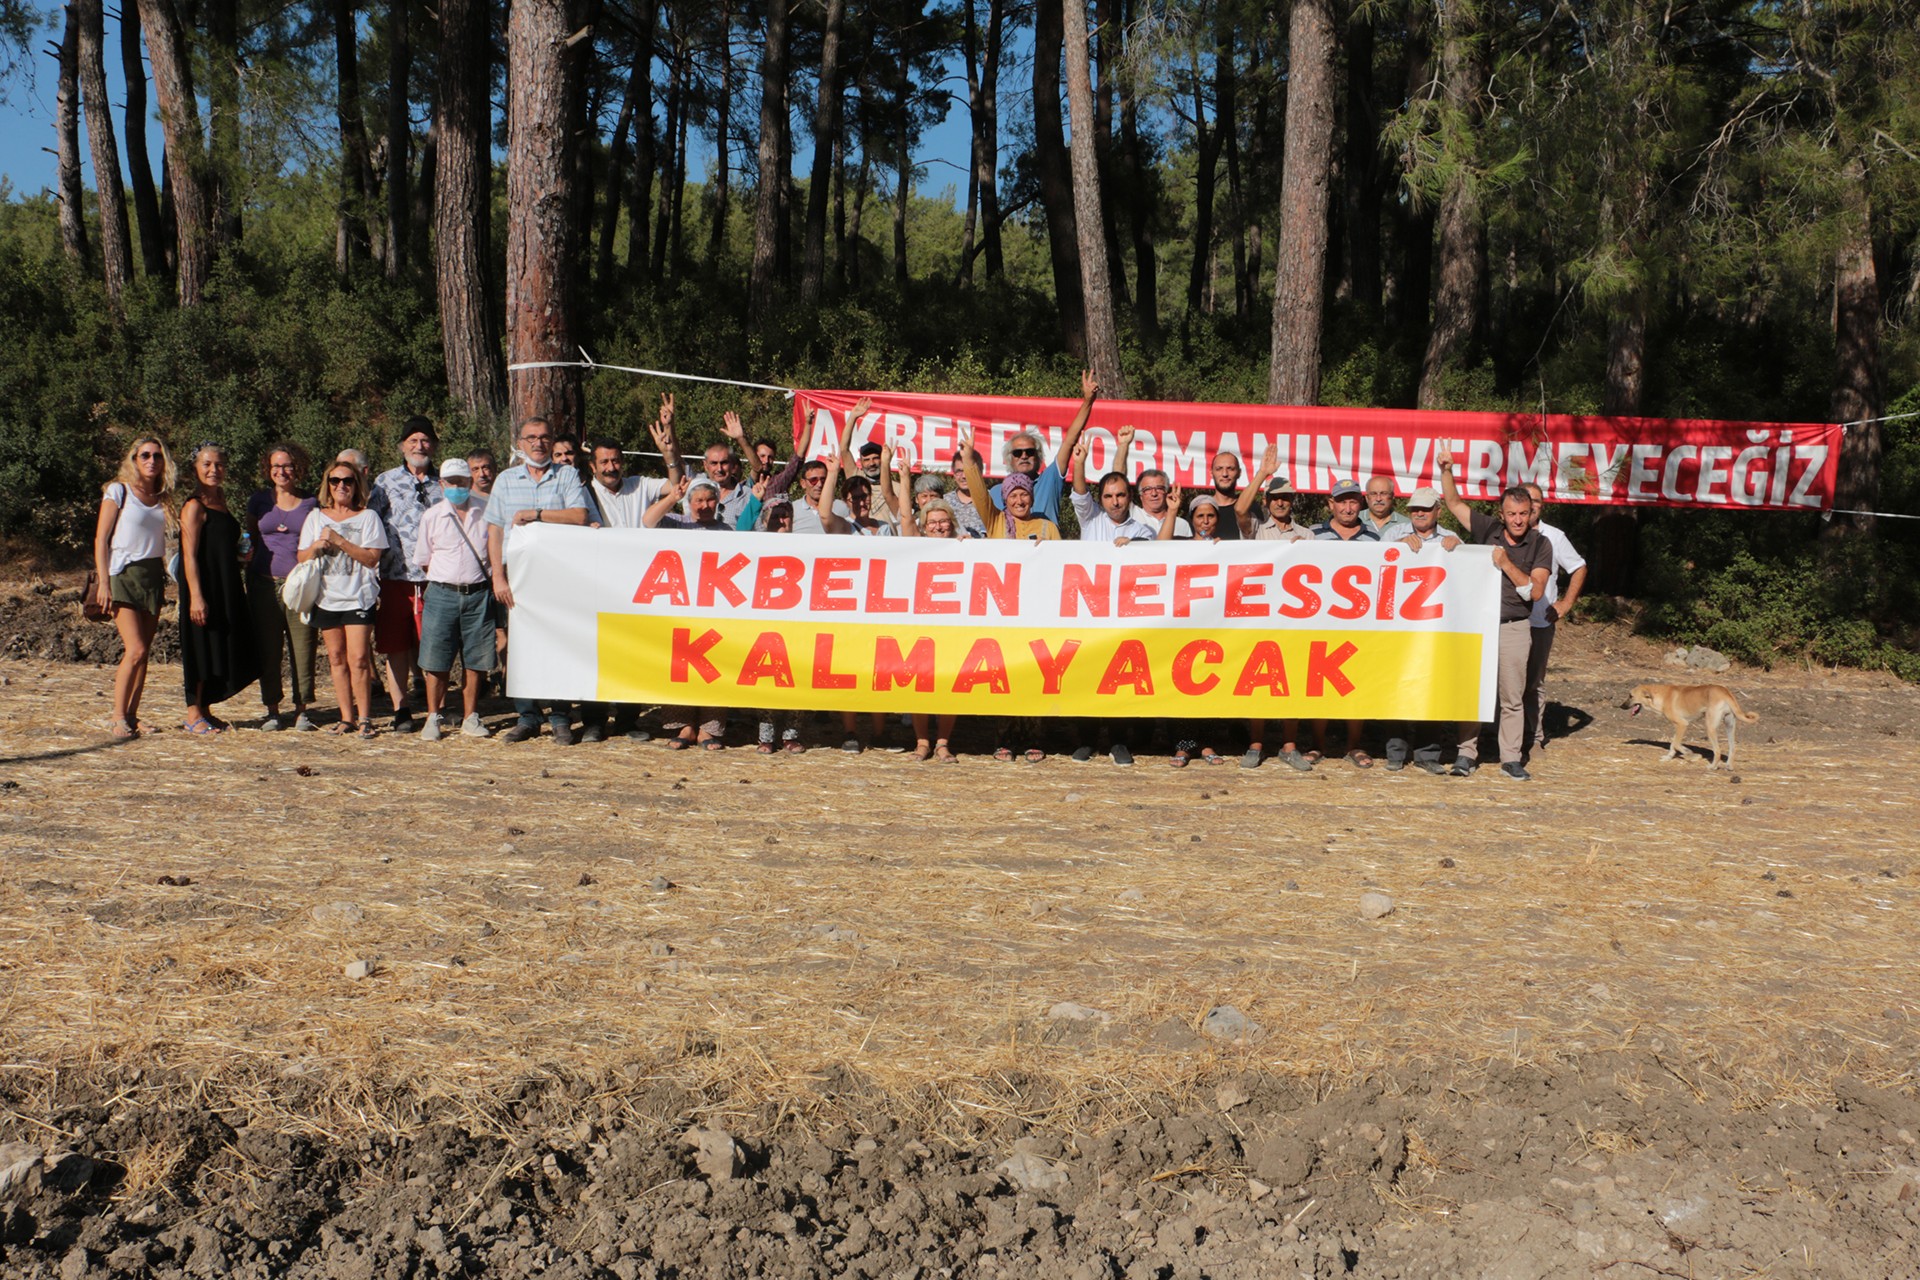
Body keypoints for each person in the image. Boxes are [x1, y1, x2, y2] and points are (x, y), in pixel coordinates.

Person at [1435, 445, 1553, 780]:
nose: (1518, 520)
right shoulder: (1489, 530)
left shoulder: (1540, 544)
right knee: (1474, 691)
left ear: (1531, 514)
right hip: (1477, 626)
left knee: (1512, 696)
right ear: (1501, 514)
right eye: (1512, 514)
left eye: (1523, 514)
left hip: (1515, 627)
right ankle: (1466, 754)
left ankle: (1510, 758)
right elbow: (1456, 505)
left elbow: (1536, 590)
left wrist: (1505, 563)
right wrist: (1446, 470)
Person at [486, 416, 592, 743]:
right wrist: (498, 577)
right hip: (516, 575)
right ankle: (527, 716)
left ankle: (560, 717)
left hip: (556, 574)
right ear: (520, 443)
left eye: (545, 437)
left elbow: (579, 516)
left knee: (556, 643)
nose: (538, 443)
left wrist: (536, 514)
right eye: (531, 437)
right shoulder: (505, 480)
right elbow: (494, 530)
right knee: (519, 647)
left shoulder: (568, 475)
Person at [92, 436, 175, 739]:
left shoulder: (163, 497)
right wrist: (104, 582)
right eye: (145, 455)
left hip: (153, 576)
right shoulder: (119, 491)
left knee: (145, 652)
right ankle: (117, 716)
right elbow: (101, 539)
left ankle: (132, 715)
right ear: (134, 459)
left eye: (157, 456)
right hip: (122, 575)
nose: (152, 461)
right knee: (135, 648)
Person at [299, 462, 387, 736]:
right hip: (326, 597)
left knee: (359, 658)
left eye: (347, 481)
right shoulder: (315, 517)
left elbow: (372, 559)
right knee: (336, 658)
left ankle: (365, 719)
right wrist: (316, 546)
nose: (341, 486)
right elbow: (301, 557)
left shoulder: (368, 517)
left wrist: (339, 540)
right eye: (335, 481)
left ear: (356, 485)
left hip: (358, 597)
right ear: (327, 484)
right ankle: (346, 718)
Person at [177, 444, 259, 735]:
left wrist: (239, 555)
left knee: (216, 644)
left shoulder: (221, 500)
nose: (214, 470)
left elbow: (218, 544)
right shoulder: (194, 505)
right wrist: (196, 596)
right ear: (195, 469)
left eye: (220, 464)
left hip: (225, 583)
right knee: (200, 646)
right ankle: (192, 713)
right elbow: (189, 555)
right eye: (207, 464)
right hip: (204, 586)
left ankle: (206, 709)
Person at [412, 458, 496, 741]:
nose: (457, 487)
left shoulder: (487, 512)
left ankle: (471, 716)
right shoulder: (432, 516)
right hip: (442, 593)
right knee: (436, 659)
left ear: (470, 482)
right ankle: (433, 716)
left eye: (462, 481)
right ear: (442, 484)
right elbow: (424, 560)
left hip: (478, 593)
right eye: (451, 482)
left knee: (476, 658)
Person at [367, 417, 442, 732]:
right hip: (395, 577)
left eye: (424, 440)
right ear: (402, 446)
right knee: (396, 646)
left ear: (434, 446)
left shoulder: (445, 484)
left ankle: (435, 709)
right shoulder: (384, 482)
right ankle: (401, 710)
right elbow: (371, 525)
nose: (419, 446)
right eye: (412, 440)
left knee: (434, 646)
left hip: (436, 578)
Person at [244, 442, 319, 731]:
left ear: (297, 467)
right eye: (276, 466)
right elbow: (250, 535)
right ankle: (272, 710)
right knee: (268, 649)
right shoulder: (259, 500)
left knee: (303, 646)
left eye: (287, 465)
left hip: (299, 585)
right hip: (263, 583)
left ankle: (302, 710)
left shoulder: (311, 502)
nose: (281, 471)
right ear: (268, 469)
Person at [1309, 478, 1380, 767]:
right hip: (1320, 621)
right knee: (1319, 686)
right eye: (1341, 501)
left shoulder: (1374, 539)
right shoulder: (1312, 535)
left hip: (1359, 624)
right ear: (1330, 504)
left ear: (1360, 504)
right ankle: (1317, 746)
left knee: (1356, 683)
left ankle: (1354, 745)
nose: (1348, 507)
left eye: (1352, 501)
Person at [1521, 481, 1588, 755]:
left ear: (1541, 505)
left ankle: (1534, 738)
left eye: (1535, 501)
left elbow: (1579, 566)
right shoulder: (1507, 532)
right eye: (1526, 500)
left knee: (1534, 682)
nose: (1531, 505)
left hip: (1539, 621)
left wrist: (1566, 603)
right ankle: (1502, 736)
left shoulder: (1555, 536)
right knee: (1506, 680)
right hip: (1505, 621)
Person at [986, 369, 1099, 525]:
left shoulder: (1050, 479)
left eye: (1030, 452)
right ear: (1009, 459)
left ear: (1038, 457)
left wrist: (1088, 402)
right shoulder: (995, 493)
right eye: (1018, 453)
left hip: (1047, 547)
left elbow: (1069, 441)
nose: (1024, 456)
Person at [1069, 431, 1161, 545]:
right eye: (1108, 496)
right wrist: (1078, 463)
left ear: (1130, 496)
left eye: (1120, 495)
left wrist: (1133, 544)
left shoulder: (1142, 533)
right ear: (1100, 499)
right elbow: (1080, 496)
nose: (1115, 502)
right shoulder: (1091, 518)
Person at [961, 437, 1060, 541]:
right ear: (1005, 500)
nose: (1019, 501)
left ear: (1032, 498)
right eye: (1013, 496)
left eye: (1024, 495)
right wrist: (969, 460)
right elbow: (980, 497)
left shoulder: (1049, 527)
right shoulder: (996, 521)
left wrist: (1047, 548)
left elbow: (1059, 555)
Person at [1132, 468, 1190, 538]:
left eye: (1159, 488)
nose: (1154, 494)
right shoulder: (1132, 516)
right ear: (1140, 495)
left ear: (1166, 492)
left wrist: (1172, 510)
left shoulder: (1182, 524)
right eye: (1147, 489)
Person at [1362, 476, 1413, 542]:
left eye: (1384, 493)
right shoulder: (1355, 520)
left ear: (1392, 496)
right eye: (1373, 494)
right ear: (1366, 497)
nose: (1378, 499)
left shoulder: (1406, 524)